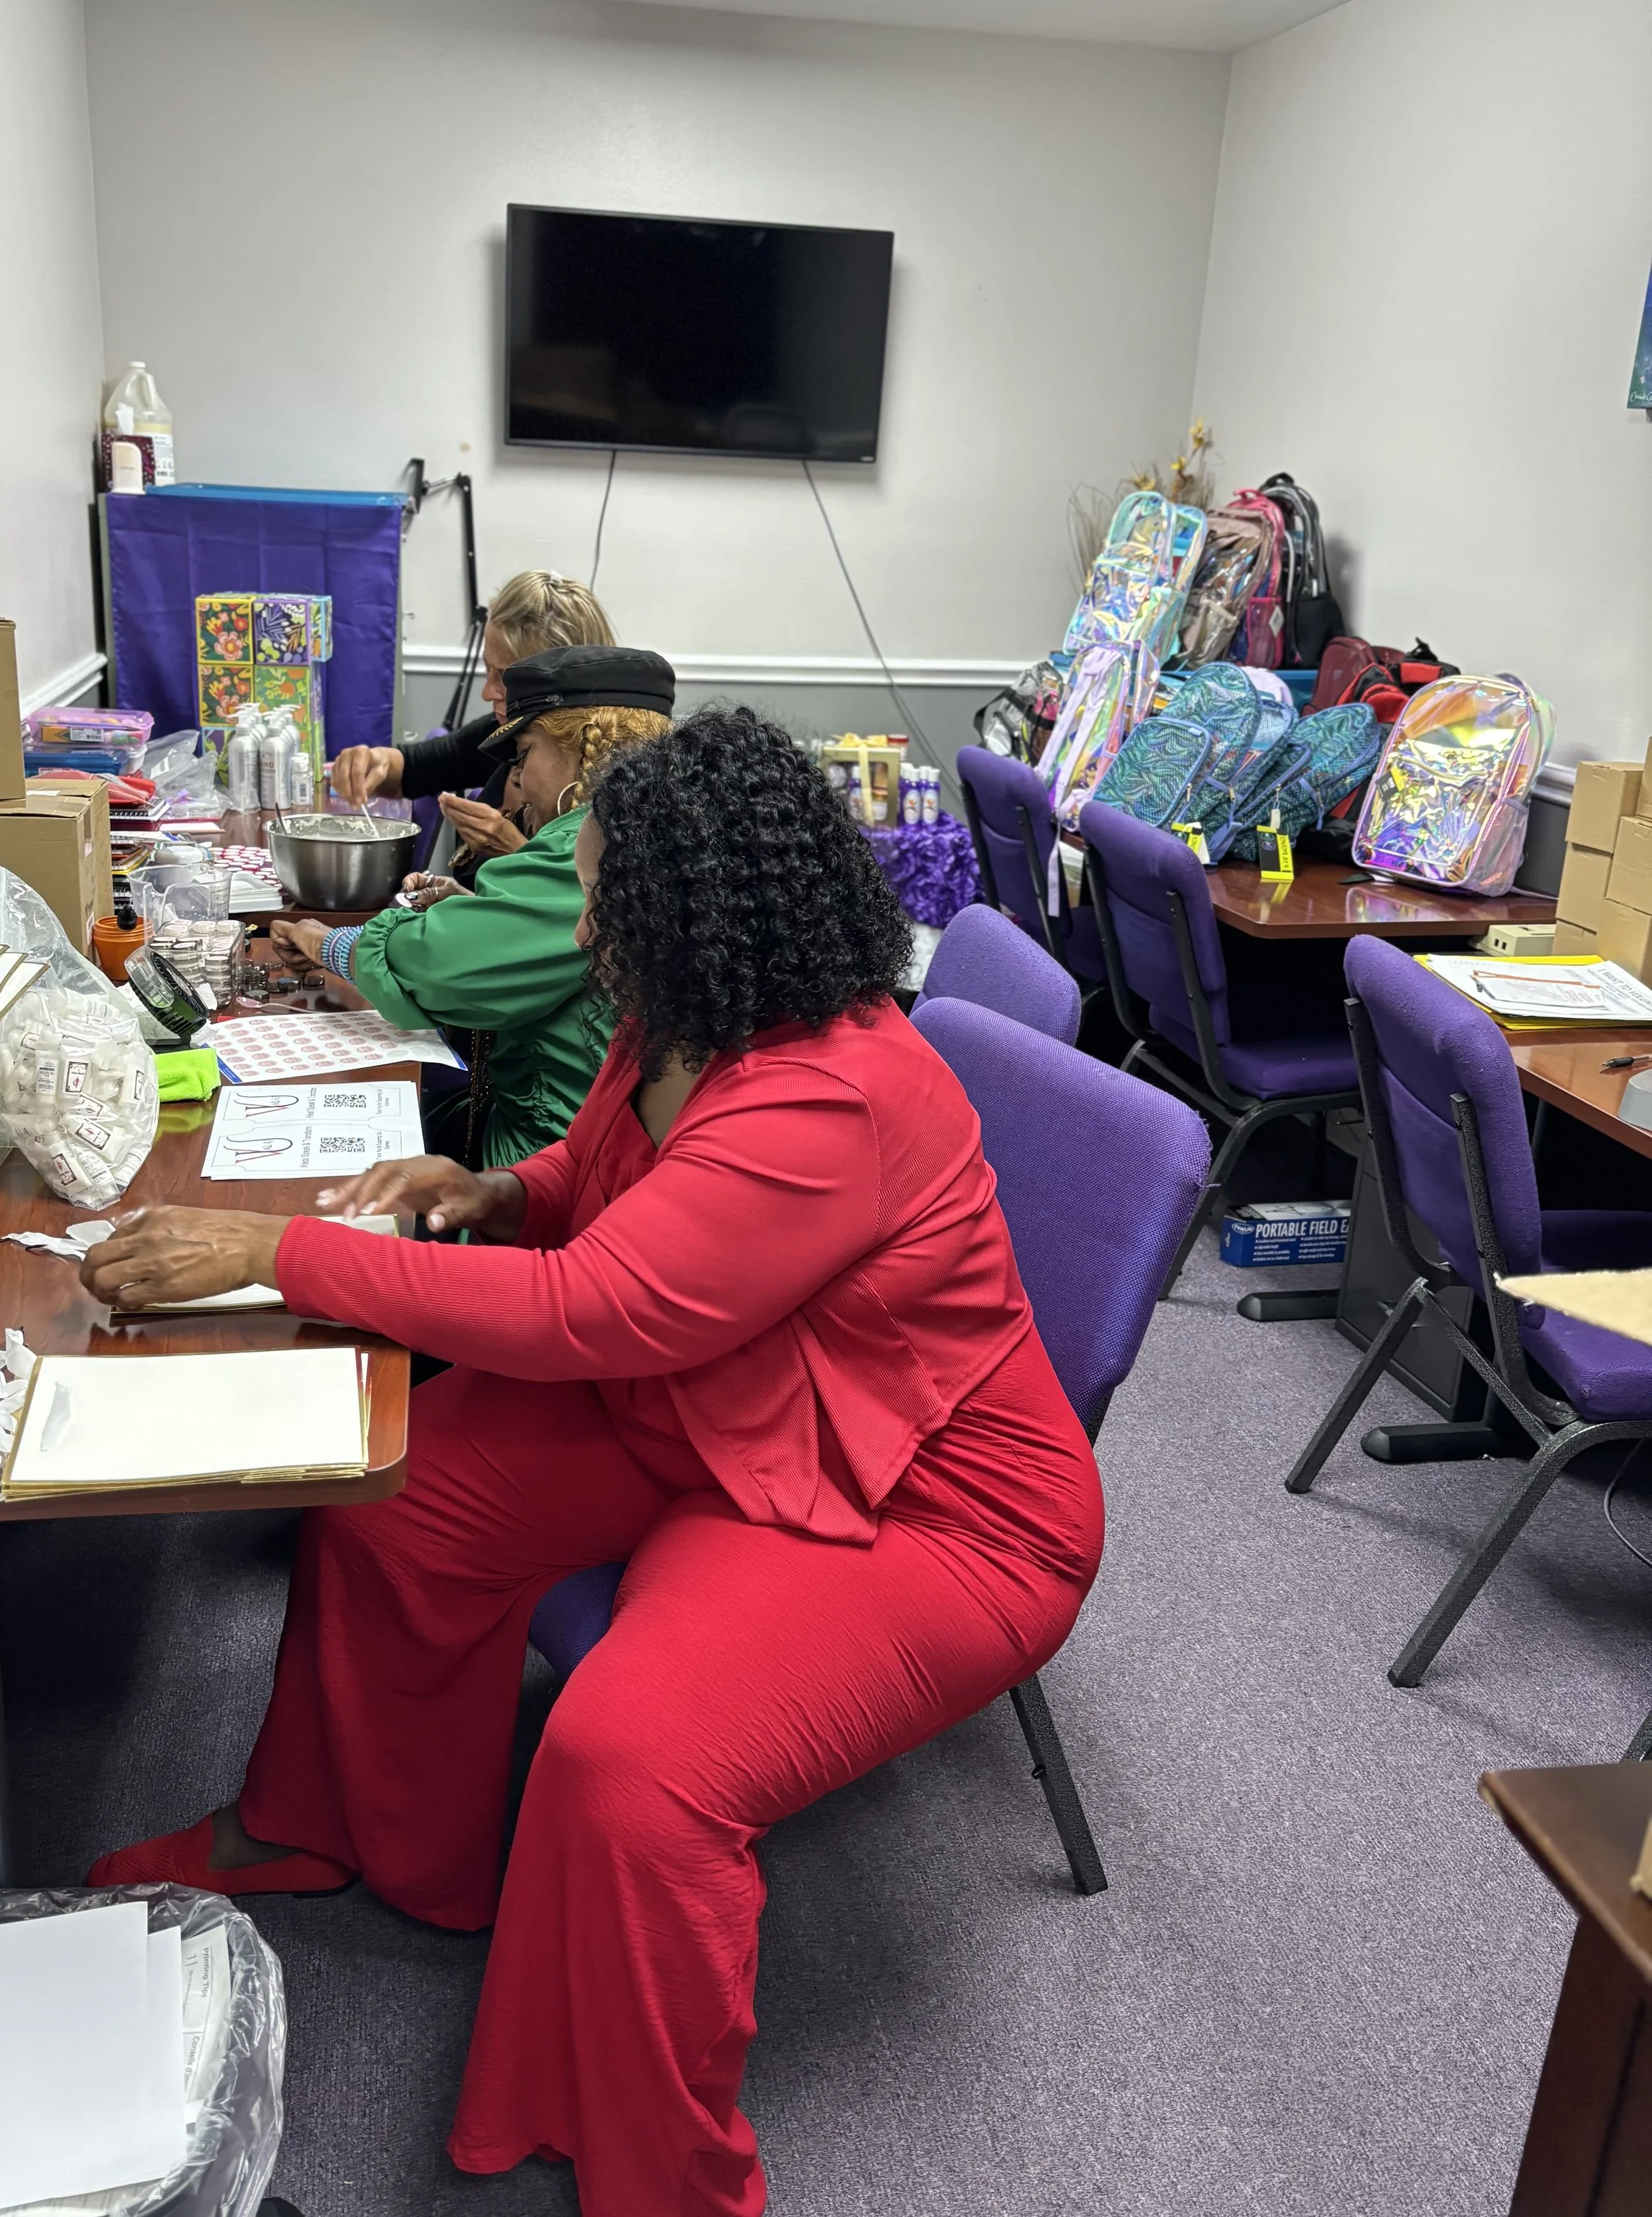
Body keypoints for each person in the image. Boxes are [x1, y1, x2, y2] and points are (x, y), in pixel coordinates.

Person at [80, 708, 1105, 2217]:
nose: (577, 916)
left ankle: (668, 2176)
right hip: (720, 1399)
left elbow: (594, 1308)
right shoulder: (691, 1007)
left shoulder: (829, 1094)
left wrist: (274, 1247)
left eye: (600, 891)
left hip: (925, 1499)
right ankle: (334, 1832)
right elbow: (610, 1177)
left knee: (629, 1767)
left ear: (691, 908)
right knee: (394, 1502)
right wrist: (493, 1185)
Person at [272, 645, 674, 1169]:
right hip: (606, 1140)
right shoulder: (654, 823)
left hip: (552, 1154)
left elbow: (434, 967)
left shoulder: (589, 843)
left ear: (579, 749)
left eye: (525, 753)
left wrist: (325, 941)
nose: (522, 779)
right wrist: (475, 910)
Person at [332, 570, 614, 870]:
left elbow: (586, 907)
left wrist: (516, 854)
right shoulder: (503, 735)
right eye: (487, 669)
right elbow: (414, 769)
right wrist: (371, 762)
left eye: (505, 677)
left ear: (565, 683)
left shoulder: (618, 779)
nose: (487, 691)